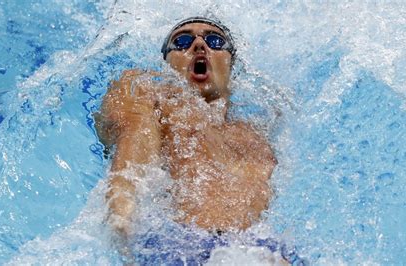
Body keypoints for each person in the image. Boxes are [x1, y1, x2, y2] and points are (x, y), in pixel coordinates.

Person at [95, 17, 305, 265]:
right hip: (182, 245)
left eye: (215, 41)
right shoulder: (152, 98)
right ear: (166, 63)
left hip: (260, 247)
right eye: (182, 41)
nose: (198, 44)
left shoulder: (257, 135)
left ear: (230, 63)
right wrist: (123, 206)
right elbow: (134, 135)